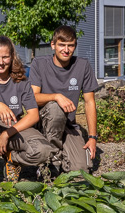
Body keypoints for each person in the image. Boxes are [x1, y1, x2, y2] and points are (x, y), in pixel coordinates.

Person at [0, 36, 58, 191]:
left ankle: (13, 158)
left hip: (14, 128)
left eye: (5, 57)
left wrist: (7, 134)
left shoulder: (21, 80)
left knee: (45, 151)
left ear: (12, 56)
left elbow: (33, 115)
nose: (0, 62)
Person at [29, 25, 99, 173]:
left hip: (68, 125)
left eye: (70, 45)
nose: (66, 50)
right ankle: (51, 160)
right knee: (55, 106)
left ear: (75, 46)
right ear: (53, 45)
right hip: (42, 124)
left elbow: (89, 102)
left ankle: (61, 156)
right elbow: (33, 98)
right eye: (62, 45)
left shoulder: (83, 65)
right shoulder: (39, 64)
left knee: (81, 170)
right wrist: (56, 96)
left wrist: (92, 137)